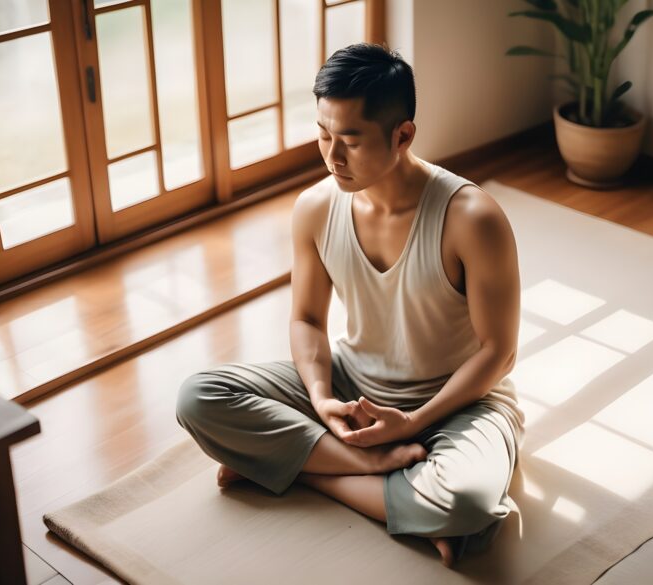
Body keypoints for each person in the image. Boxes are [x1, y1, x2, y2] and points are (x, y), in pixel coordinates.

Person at [176, 42, 525, 568]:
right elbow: (307, 319)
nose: (332, 157)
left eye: (351, 142)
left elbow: (499, 353)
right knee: (198, 398)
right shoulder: (316, 208)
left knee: (467, 503)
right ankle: (373, 473)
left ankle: (302, 468)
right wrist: (321, 401)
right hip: (353, 382)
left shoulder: (472, 218)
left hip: (460, 403)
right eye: (322, 136)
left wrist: (412, 423)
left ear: (403, 135)